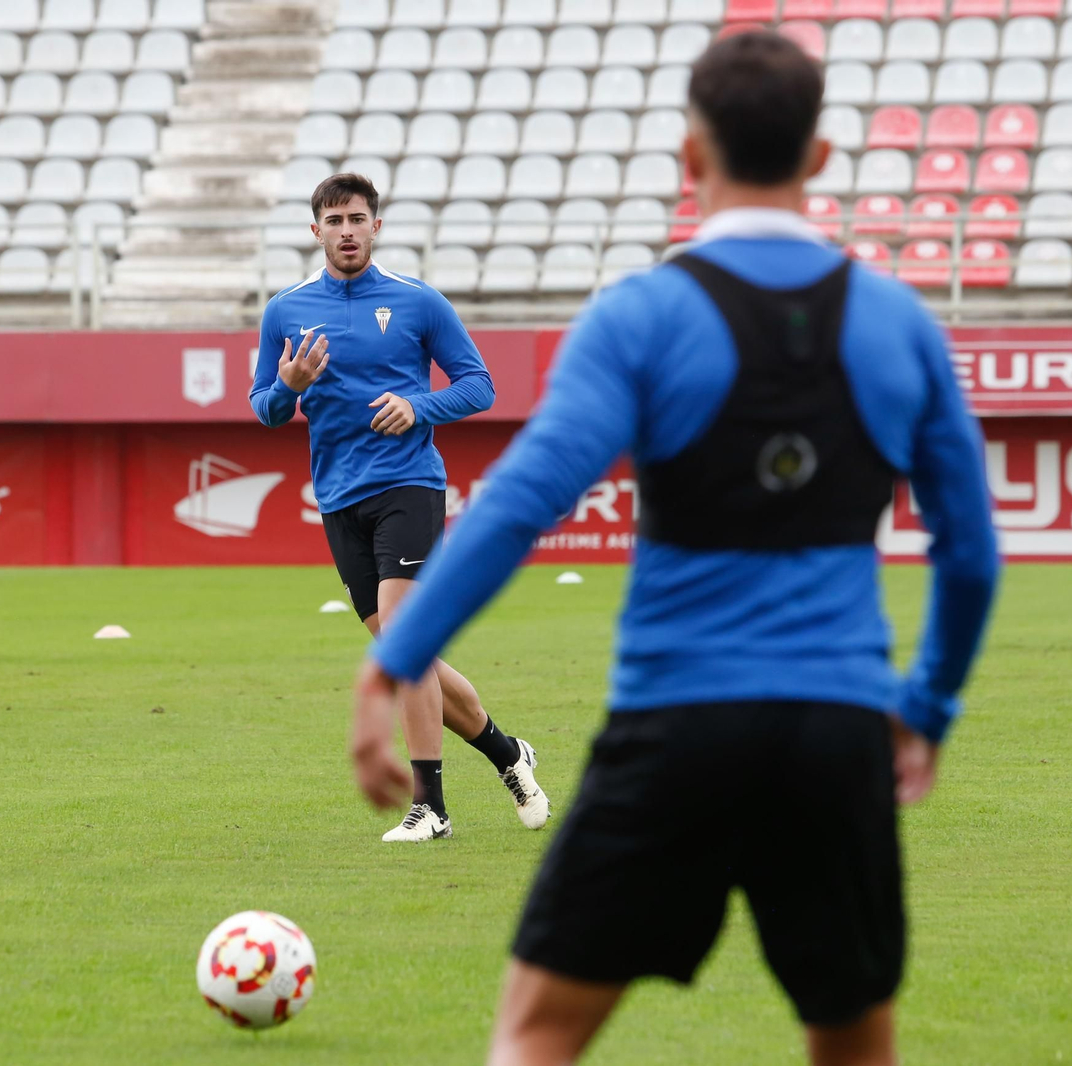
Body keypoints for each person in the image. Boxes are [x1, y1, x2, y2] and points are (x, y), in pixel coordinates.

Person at [351, 32, 1000, 1065]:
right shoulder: (898, 322)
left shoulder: (640, 316)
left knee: (533, 1037)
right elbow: (968, 554)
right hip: (835, 730)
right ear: (818, 157)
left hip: (674, 727)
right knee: (852, 1044)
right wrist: (925, 709)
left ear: (689, 156)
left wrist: (393, 658)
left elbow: (522, 502)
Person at [253, 173, 548, 842]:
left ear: (376, 226)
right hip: (337, 498)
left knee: (405, 643)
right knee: (406, 648)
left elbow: (478, 386)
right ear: (316, 230)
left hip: (410, 484)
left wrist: (419, 406)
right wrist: (287, 388)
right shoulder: (285, 310)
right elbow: (263, 408)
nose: (347, 230)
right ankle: (509, 754)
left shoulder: (418, 303)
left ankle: (431, 809)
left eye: (358, 217)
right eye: (334, 220)